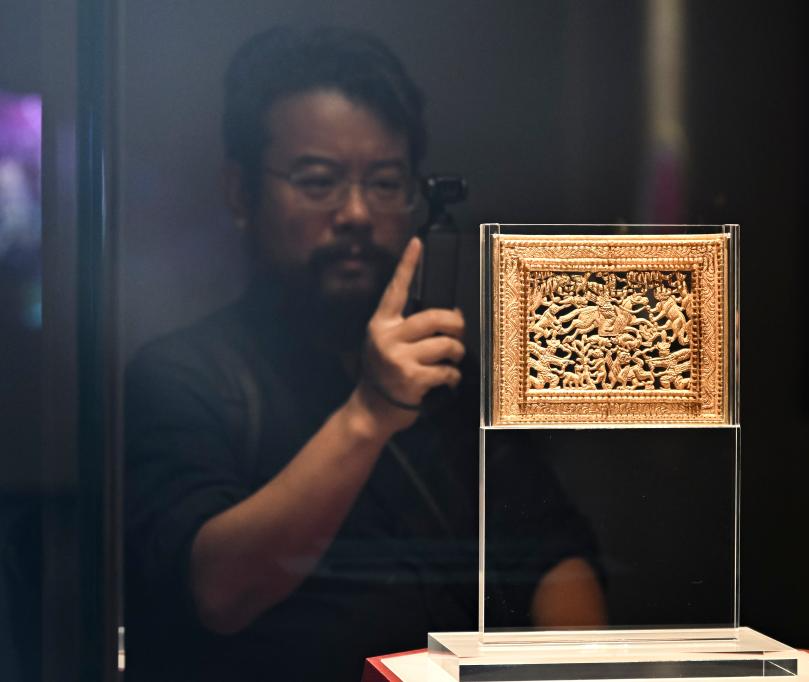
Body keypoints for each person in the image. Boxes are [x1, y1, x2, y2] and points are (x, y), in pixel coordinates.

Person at [124, 26, 605, 681]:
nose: (355, 212)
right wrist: (370, 413)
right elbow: (220, 590)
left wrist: (574, 670)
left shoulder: (448, 379)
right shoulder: (183, 377)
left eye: (384, 183)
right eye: (318, 181)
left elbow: (554, 555)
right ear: (241, 192)